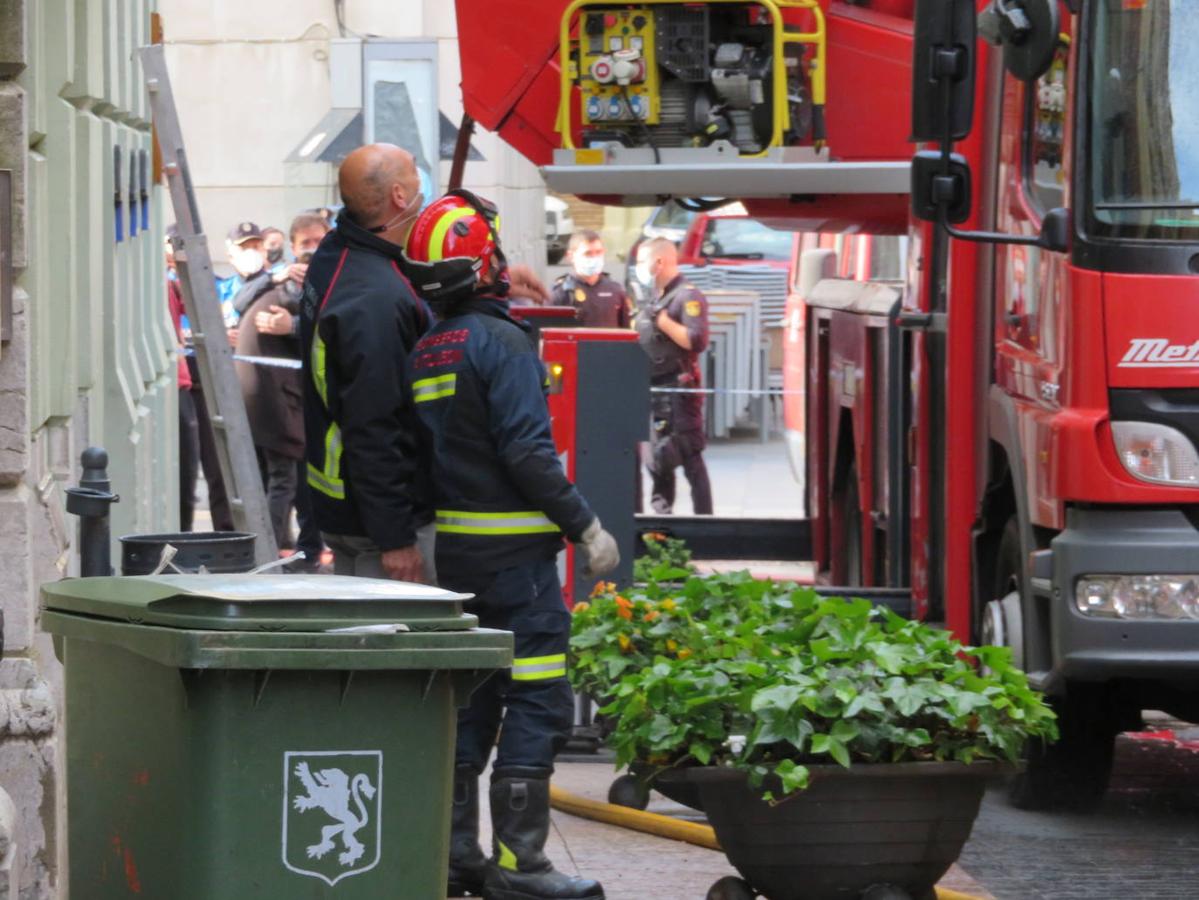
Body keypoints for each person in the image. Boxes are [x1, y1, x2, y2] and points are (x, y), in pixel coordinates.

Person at [404, 191, 617, 900]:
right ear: (484, 262)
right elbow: (527, 453)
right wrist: (584, 524)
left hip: (461, 563)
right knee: (535, 703)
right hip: (521, 570)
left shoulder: (428, 347)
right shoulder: (501, 344)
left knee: (475, 705)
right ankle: (523, 867)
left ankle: (457, 854)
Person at [299, 144, 435, 583]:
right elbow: (375, 424)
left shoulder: (340, 252)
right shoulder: (374, 301)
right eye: (416, 177)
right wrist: (396, 539)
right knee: (395, 646)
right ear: (399, 195)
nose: (422, 186)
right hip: (379, 525)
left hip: (343, 508)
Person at [235, 213, 328, 558]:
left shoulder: (336, 277)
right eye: (306, 244)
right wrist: (276, 278)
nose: (312, 251)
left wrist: (292, 326)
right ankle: (280, 550)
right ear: (292, 247)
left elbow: (335, 323)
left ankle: (304, 546)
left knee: (302, 478)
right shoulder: (283, 282)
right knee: (287, 477)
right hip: (281, 401)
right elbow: (239, 301)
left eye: (319, 242)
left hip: (307, 397)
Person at [634, 237, 713, 515]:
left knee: (690, 455)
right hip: (654, 390)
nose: (637, 268)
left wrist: (664, 322)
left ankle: (707, 525)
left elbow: (697, 340)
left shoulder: (687, 296)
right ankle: (662, 526)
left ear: (659, 262)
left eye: (641, 261)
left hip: (680, 391)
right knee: (658, 460)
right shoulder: (655, 296)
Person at [166, 225, 200, 531]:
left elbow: (198, 308)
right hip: (172, 387)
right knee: (180, 480)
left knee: (187, 478)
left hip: (180, 385)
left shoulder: (172, 283)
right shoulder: (160, 281)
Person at [549, 230, 630, 328]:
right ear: (570, 256)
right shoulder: (561, 293)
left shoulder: (616, 290)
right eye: (588, 253)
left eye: (598, 252)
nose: (594, 258)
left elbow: (626, 332)